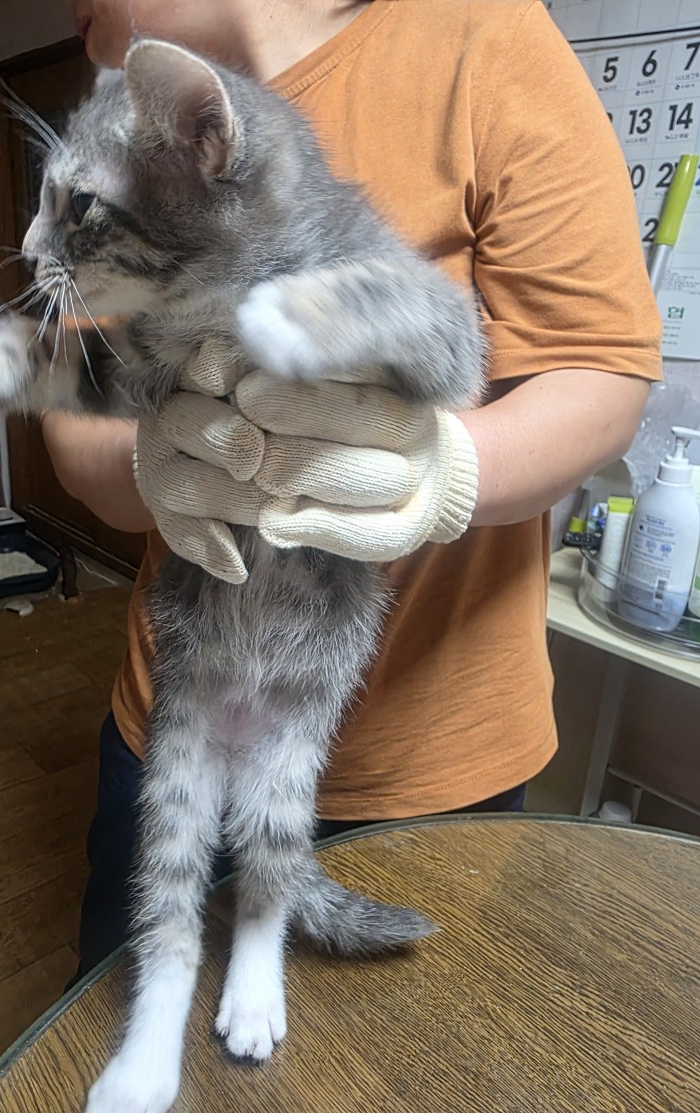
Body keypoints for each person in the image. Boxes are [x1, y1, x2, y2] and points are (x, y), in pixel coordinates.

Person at [46, 0, 661, 979]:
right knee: (121, 1014)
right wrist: (154, 458)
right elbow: (76, 410)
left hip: (432, 756)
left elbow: (600, 375)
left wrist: (446, 471)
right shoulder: (109, 133)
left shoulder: (481, 36)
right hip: (185, 701)